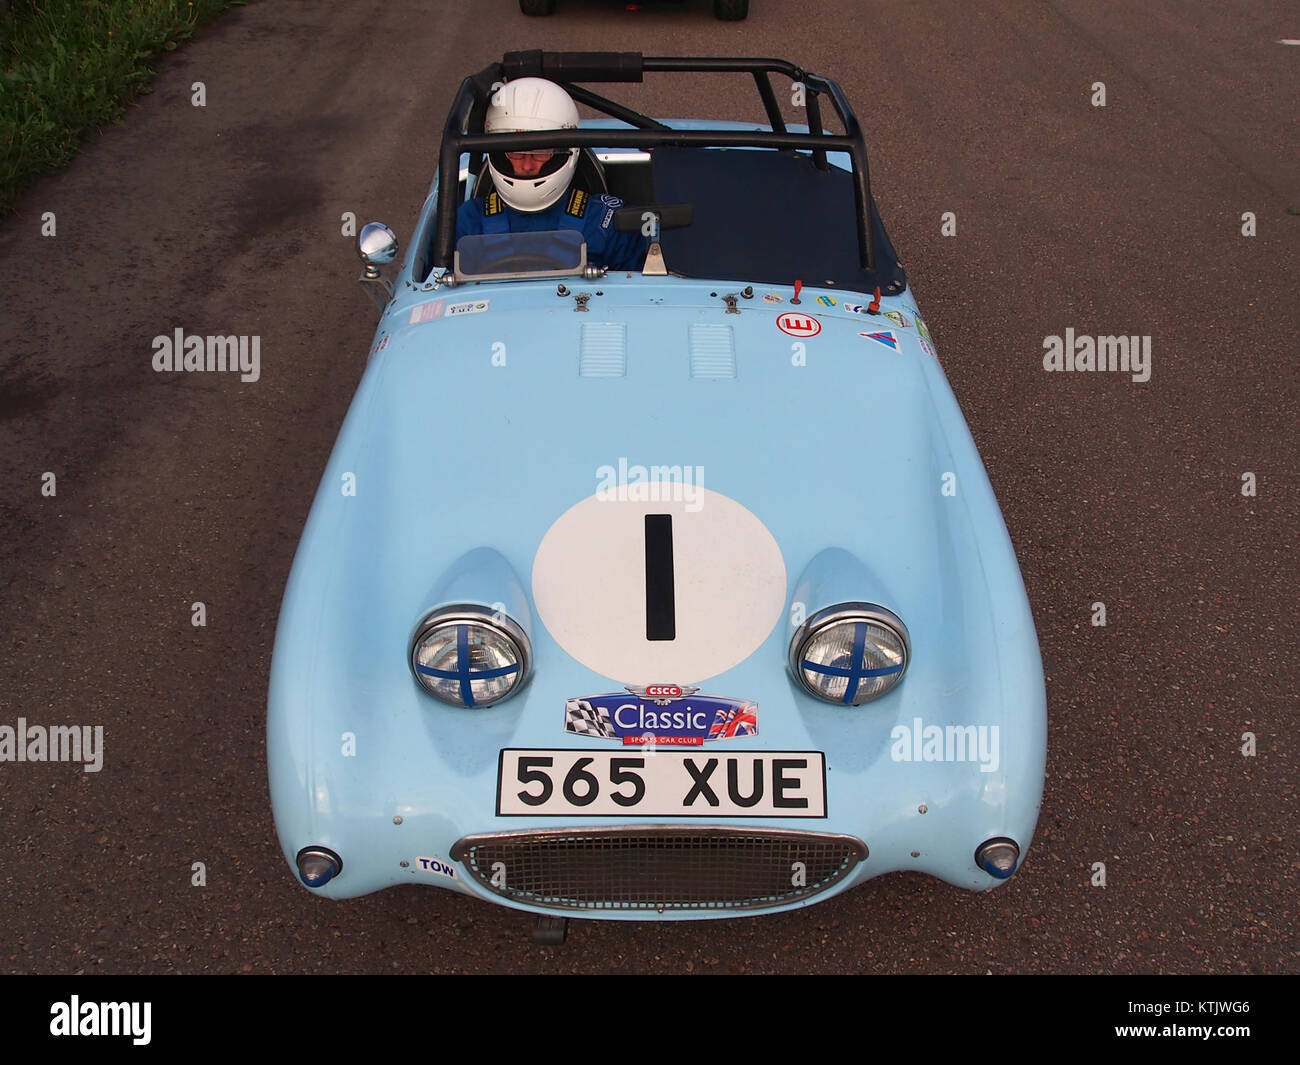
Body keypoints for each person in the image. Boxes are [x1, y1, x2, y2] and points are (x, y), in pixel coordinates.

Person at [456, 78, 646, 271]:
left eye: (541, 152)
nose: (528, 165)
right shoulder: (469, 221)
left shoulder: (606, 221)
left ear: (565, 151)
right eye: (515, 151)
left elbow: (640, 294)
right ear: (496, 151)